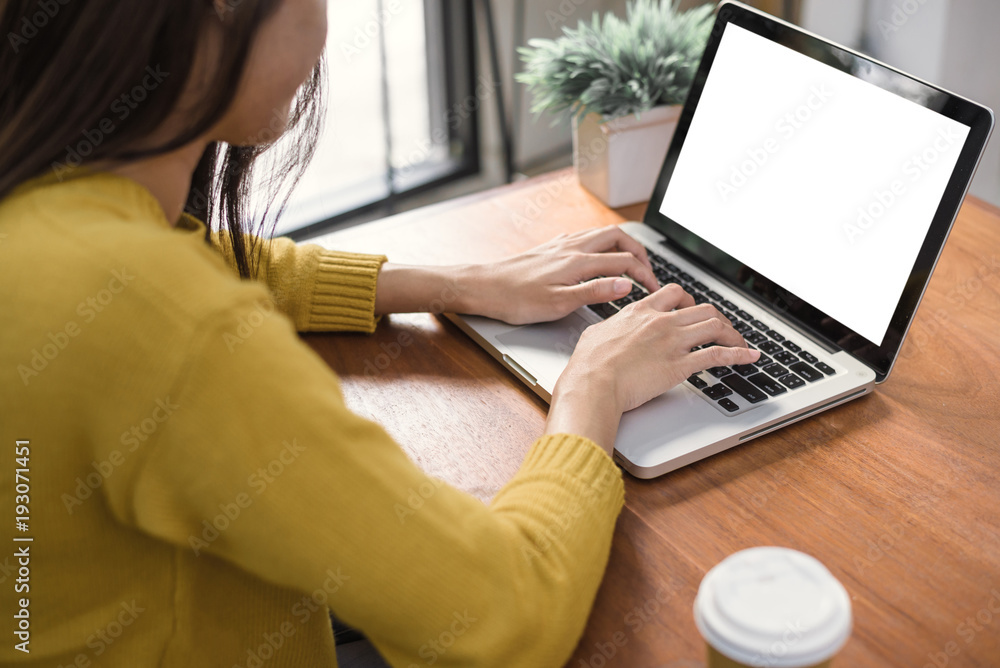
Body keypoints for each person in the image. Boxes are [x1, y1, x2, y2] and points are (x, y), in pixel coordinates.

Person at [0, 0, 758, 666]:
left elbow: (227, 264)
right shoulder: (172, 326)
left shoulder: (45, 187)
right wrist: (592, 388)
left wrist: (461, 284)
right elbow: (503, 622)